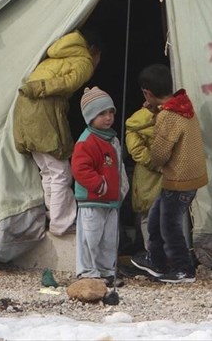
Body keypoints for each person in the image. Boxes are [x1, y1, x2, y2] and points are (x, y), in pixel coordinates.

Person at [14, 28, 101, 236]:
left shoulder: (56, 54)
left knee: (48, 171)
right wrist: (39, 88)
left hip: (23, 111)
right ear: (94, 50)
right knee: (61, 171)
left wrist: (34, 88)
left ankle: (54, 217)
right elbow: (69, 83)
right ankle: (63, 223)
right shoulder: (84, 60)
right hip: (43, 111)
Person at [131, 64, 208, 283]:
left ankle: (183, 269)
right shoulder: (183, 106)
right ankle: (156, 259)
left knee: (169, 225)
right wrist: (156, 110)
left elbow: (160, 152)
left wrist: (152, 160)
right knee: (156, 216)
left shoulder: (168, 117)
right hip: (189, 176)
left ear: (147, 93)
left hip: (178, 179)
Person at [71, 87, 128, 283]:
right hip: (92, 200)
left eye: (111, 112)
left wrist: (120, 189)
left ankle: (106, 271)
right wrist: (98, 184)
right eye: (101, 113)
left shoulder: (111, 139)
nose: (108, 117)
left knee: (109, 239)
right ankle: (88, 272)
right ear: (90, 117)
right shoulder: (86, 141)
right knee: (90, 238)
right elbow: (80, 169)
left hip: (111, 201)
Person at [125, 103, 161, 250]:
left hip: (146, 174)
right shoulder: (175, 116)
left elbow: (136, 149)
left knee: (147, 217)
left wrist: (155, 163)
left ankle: (153, 255)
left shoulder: (136, 120)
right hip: (158, 174)